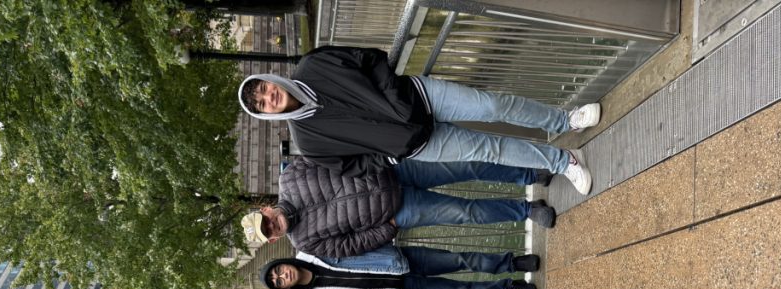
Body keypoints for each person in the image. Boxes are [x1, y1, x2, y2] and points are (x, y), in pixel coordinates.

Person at [237, 45, 597, 194]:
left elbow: (370, 58)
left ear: (272, 80)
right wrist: (390, 155)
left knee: (492, 107)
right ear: (267, 114)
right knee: (490, 149)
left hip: (420, 97)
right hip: (416, 145)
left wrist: (394, 96)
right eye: (264, 105)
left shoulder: (313, 65)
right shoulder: (308, 141)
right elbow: (354, 168)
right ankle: (562, 161)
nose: (270, 98)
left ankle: (565, 120)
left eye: (266, 90)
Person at [239, 156, 556, 260]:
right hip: (399, 210)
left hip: (396, 170)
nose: (272, 226)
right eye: (268, 233)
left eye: (265, 221)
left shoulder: (291, 176)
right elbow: (350, 245)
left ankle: (529, 173)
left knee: (468, 166)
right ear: (272, 240)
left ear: (265, 209)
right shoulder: (305, 243)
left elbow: (334, 153)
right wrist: (388, 227)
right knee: (467, 213)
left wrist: (379, 155)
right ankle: (527, 210)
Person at [261, 246, 540, 289]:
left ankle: (511, 262)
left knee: (460, 260)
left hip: (398, 260)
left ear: (282, 262)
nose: (281, 275)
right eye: (279, 282)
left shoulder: (312, 249)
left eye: (277, 270)